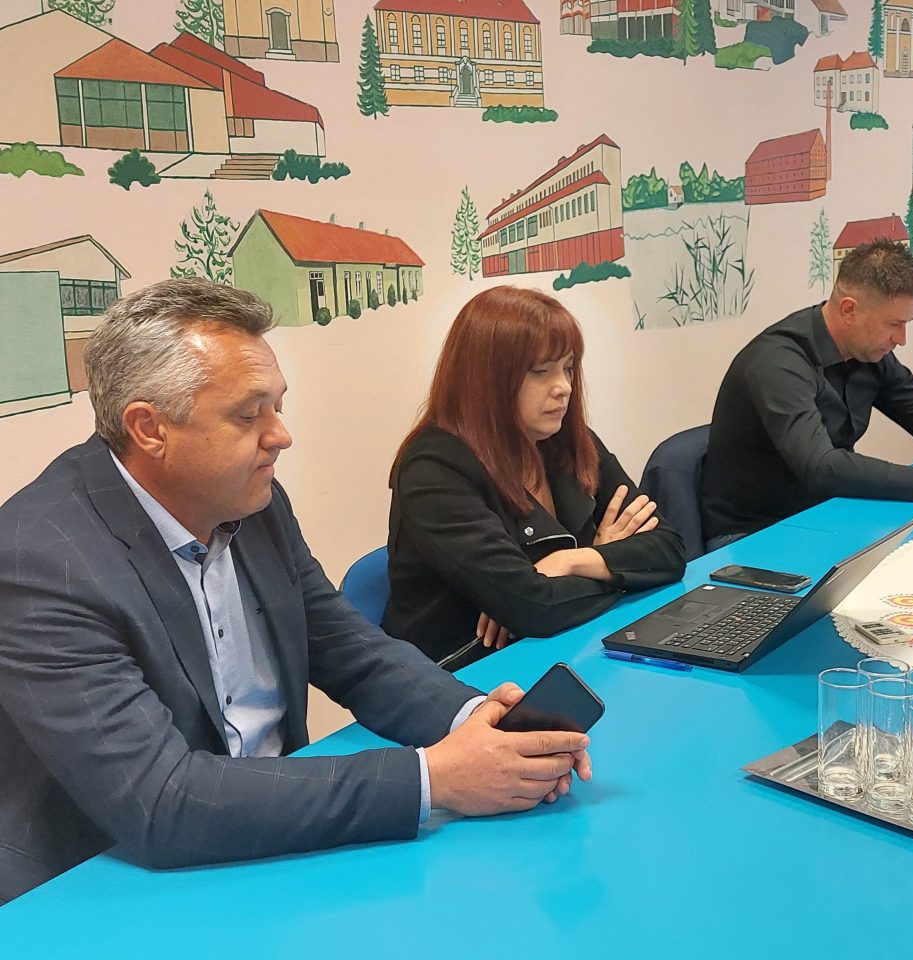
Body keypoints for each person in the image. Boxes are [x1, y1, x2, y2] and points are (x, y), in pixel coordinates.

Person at [0, 279, 591, 905]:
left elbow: (348, 649)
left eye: (278, 407)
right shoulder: (41, 564)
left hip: (276, 830)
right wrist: (434, 778)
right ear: (149, 428)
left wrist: (476, 721)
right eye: (248, 415)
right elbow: (162, 799)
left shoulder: (251, 500)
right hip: (101, 882)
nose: (280, 435)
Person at [383, 286, 686, 668]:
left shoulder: (565, 440)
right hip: (466, 675)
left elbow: (670, 550)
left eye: (568, 368)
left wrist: (573, 561)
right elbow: (534, 607)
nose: (564, 387)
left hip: (569, 647)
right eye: (541, 372)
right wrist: (614, 566)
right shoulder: (434, 470)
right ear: (486, 379)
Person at [700, 238, 913, 546]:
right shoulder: (778, 362)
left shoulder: (867, 351)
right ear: (849, 309)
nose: (901, 339)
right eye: (893, 324)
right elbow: (821, 466)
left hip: (828, 511)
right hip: (755, 534)